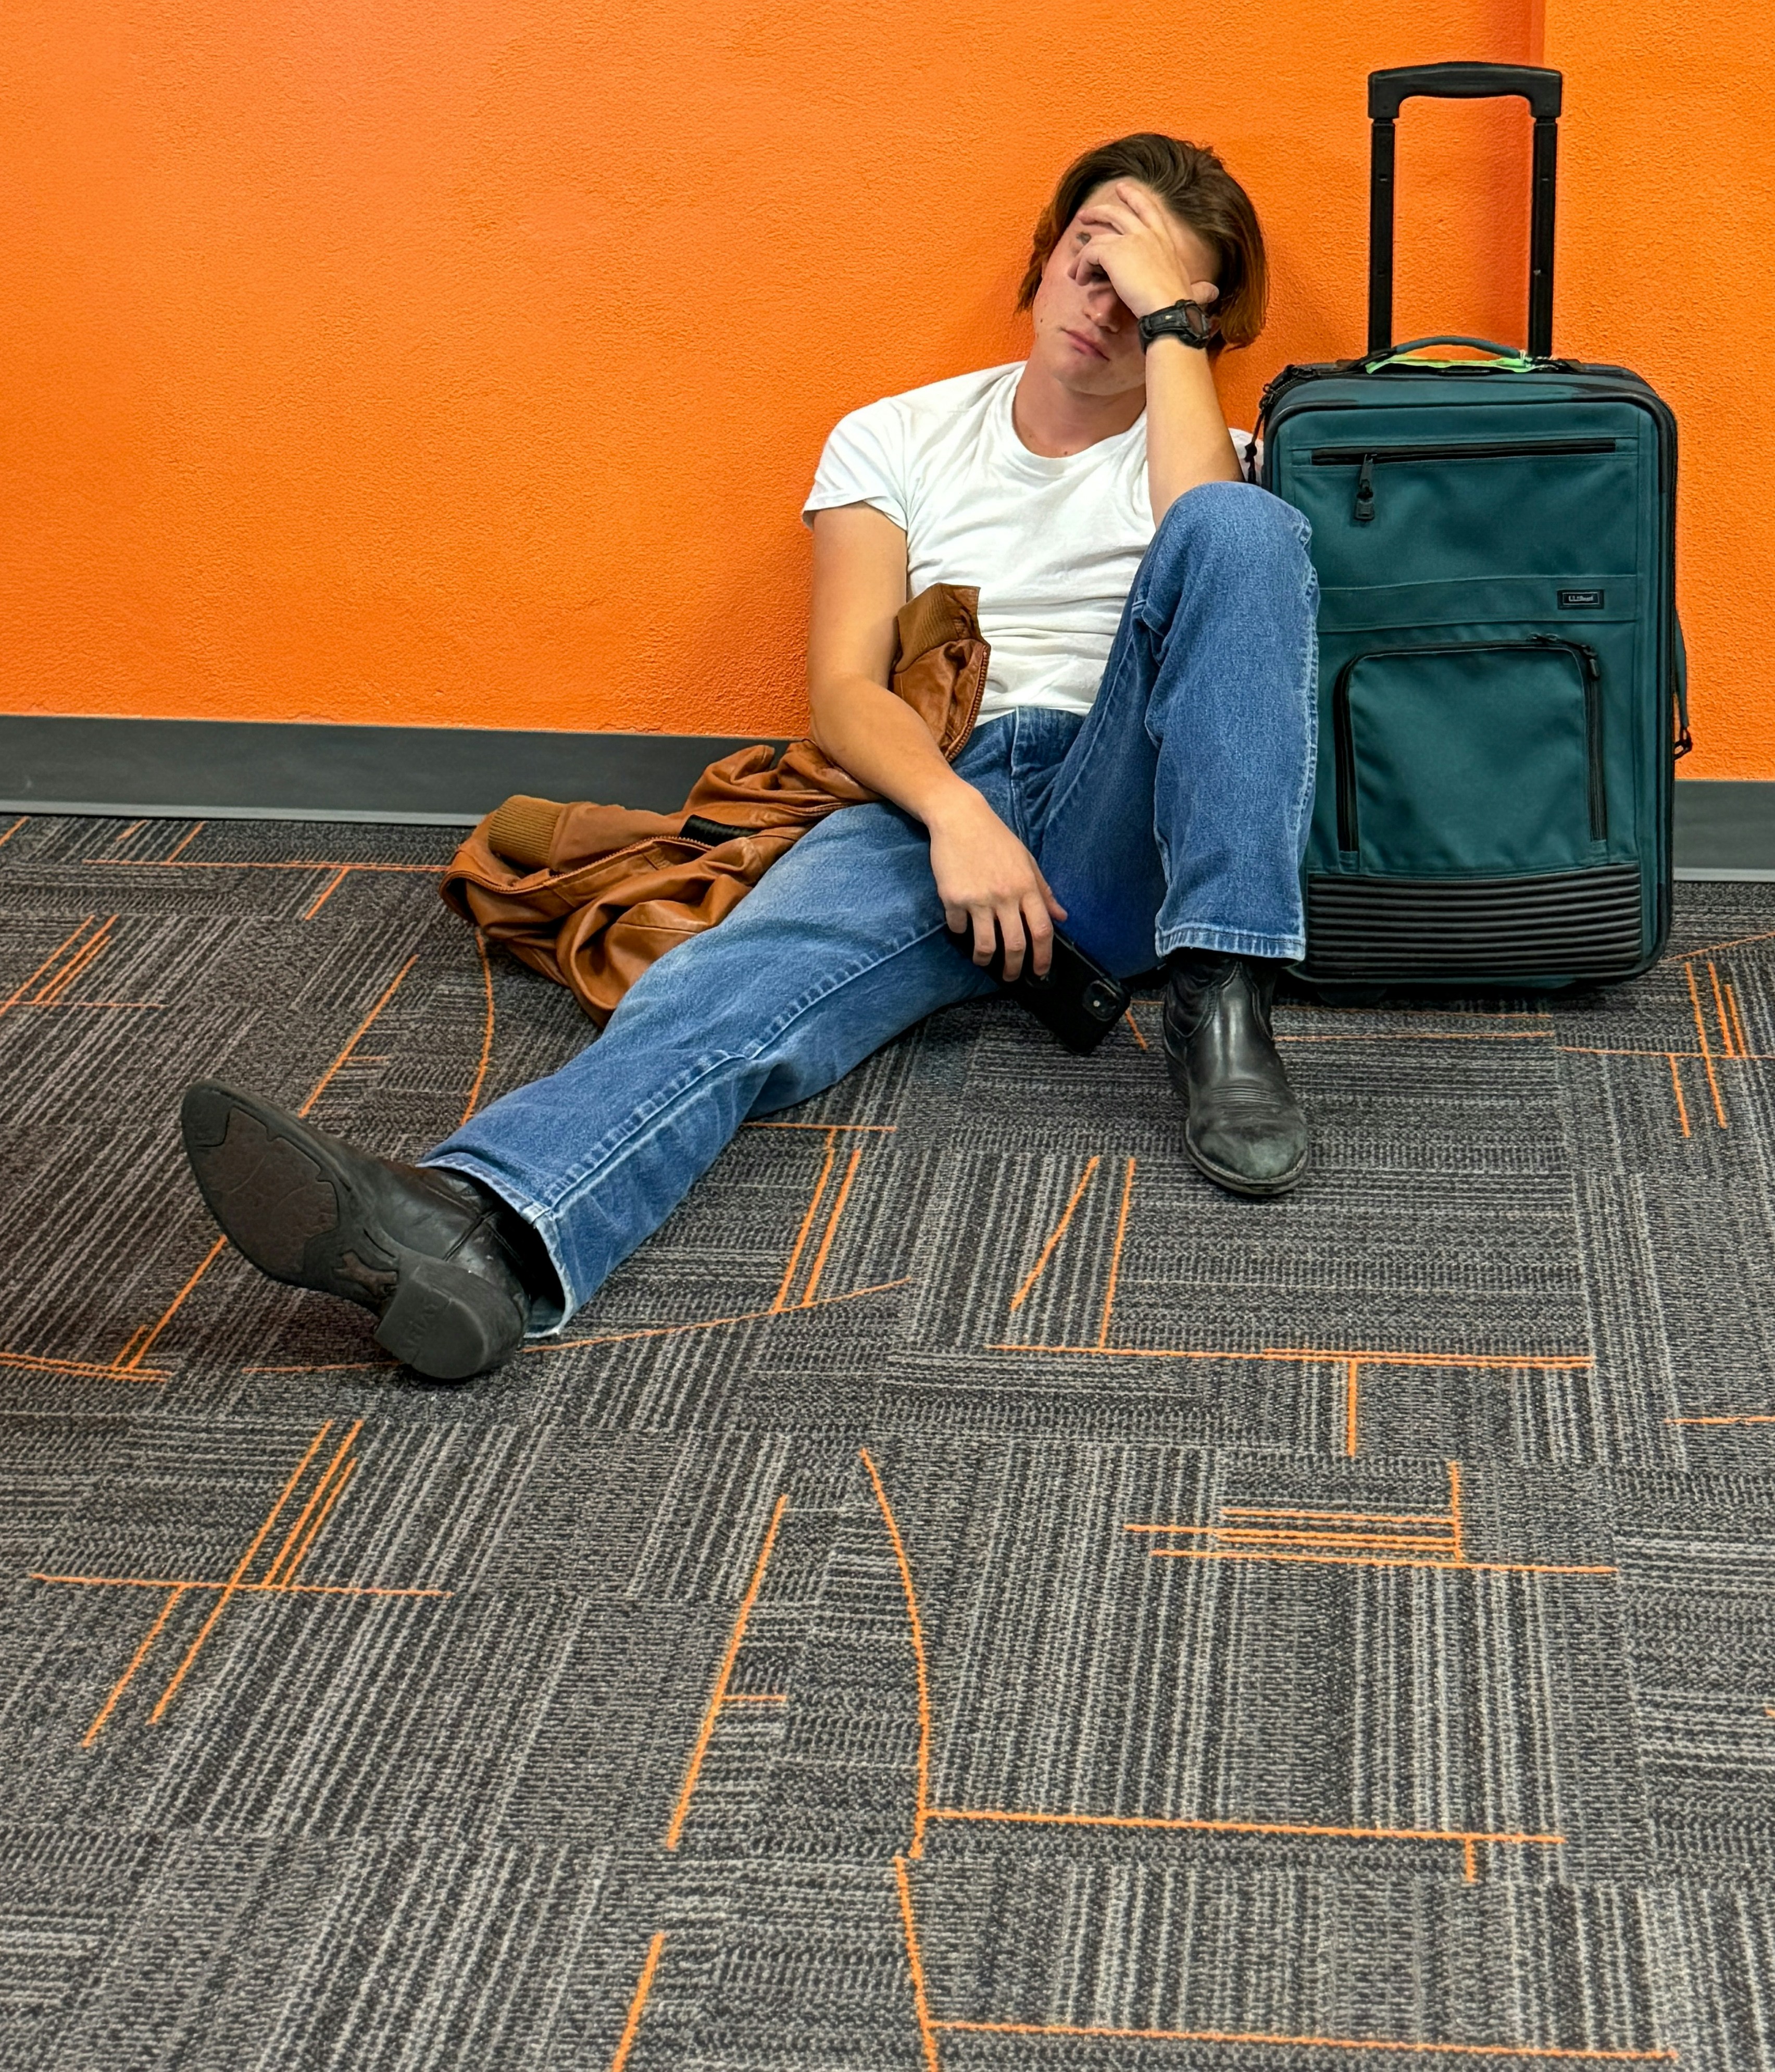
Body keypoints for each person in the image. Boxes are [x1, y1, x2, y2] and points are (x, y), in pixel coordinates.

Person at [180, 133, 1320, 1382]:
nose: (1104, 305)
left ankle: (1225, 999)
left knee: (1245, 528)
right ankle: (480, 1235)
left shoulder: (1202, 454)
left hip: (1125, 812)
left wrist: (1175, 342)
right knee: (741, 982)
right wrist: (955, 816)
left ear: (1193, 320)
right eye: (1093, 257)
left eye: (1151, 290)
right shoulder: (899, 435)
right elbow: (844, 692)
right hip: (944, 779)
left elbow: (1212, 537)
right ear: (1045, 255)